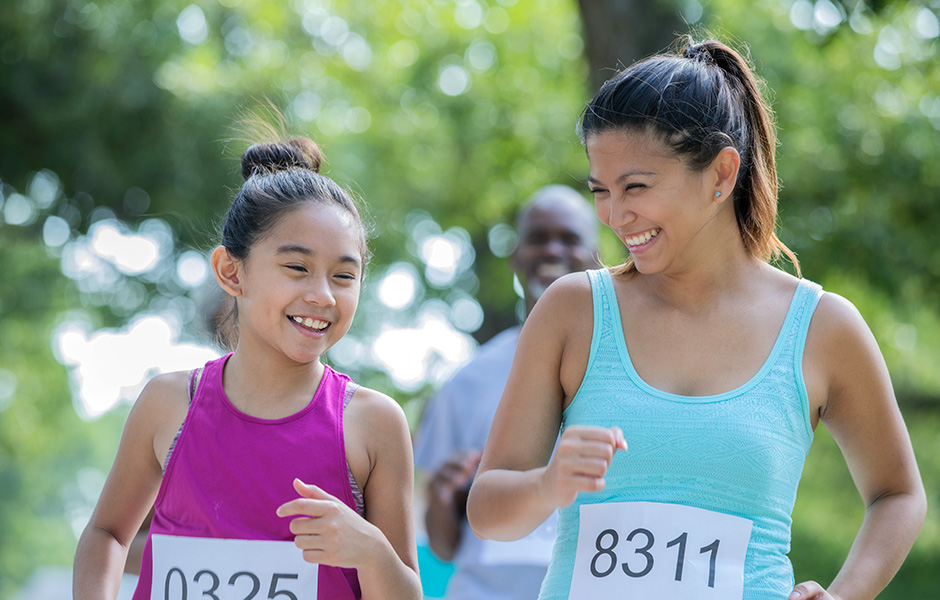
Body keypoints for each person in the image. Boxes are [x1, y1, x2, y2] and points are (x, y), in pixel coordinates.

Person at [466, 36, 926, 600]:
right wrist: (547, 484)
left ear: (720, 174)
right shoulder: (573, 310)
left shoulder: (823, 327)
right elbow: (488, 510)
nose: (614, 214)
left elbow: (898, 495)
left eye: (636, 186)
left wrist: (846, 593)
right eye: (600, 191)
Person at [73, 132, 422, 600]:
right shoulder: (168, 404)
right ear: (231, 272)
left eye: (344, 276)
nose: (322, 294)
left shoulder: (374, 423)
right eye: (297, 267)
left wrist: (372, 552)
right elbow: (107, 534)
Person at [413, 185, 599, 600]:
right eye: (537, 238)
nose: (552, 250)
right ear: (516, 254)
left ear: (597, 256)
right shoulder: (467, 382)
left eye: (569, 239)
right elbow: (443, 547)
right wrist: (444, 495)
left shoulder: (629, 373)